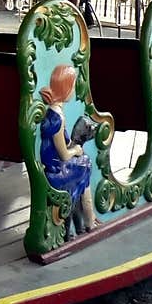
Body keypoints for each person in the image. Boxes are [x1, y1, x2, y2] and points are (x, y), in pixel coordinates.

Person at [39, 64, 97, 234]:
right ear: (66, 89)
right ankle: (89, 220)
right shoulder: (57, 118)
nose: (73, 89)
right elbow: (64, 154)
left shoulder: (54, 112)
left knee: (83, 163)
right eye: (72, 85)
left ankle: (84, 220)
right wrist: (76, 150)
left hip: (54, 164)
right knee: (85, 163)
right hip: (56, 169)